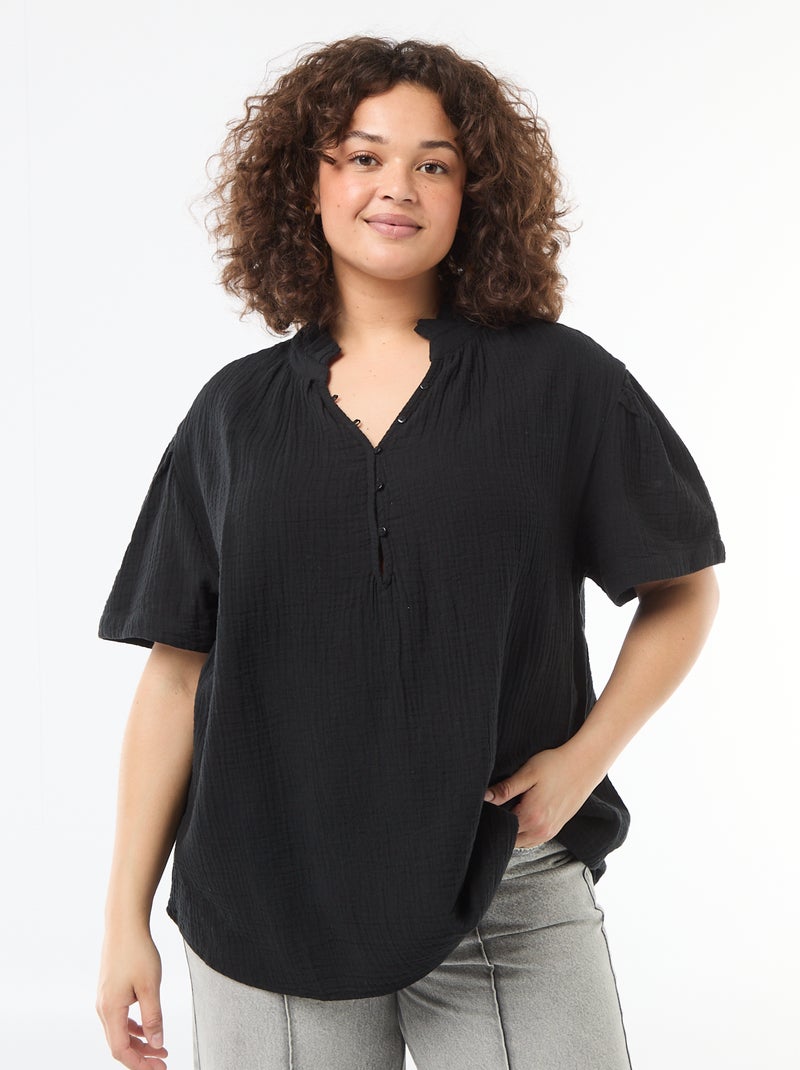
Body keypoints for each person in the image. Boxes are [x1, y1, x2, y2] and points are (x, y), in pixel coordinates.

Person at [95, 35, 725, 1070]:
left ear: (474, 194)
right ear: (306, 181)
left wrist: (582, 761)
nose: (398, 187)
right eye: (363, 156)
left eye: (434, 164)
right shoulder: (233, 415)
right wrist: (124, 915)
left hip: (507, 881)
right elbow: (177, 672)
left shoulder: (561, 382)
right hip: (265, 893)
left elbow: (682, 589)